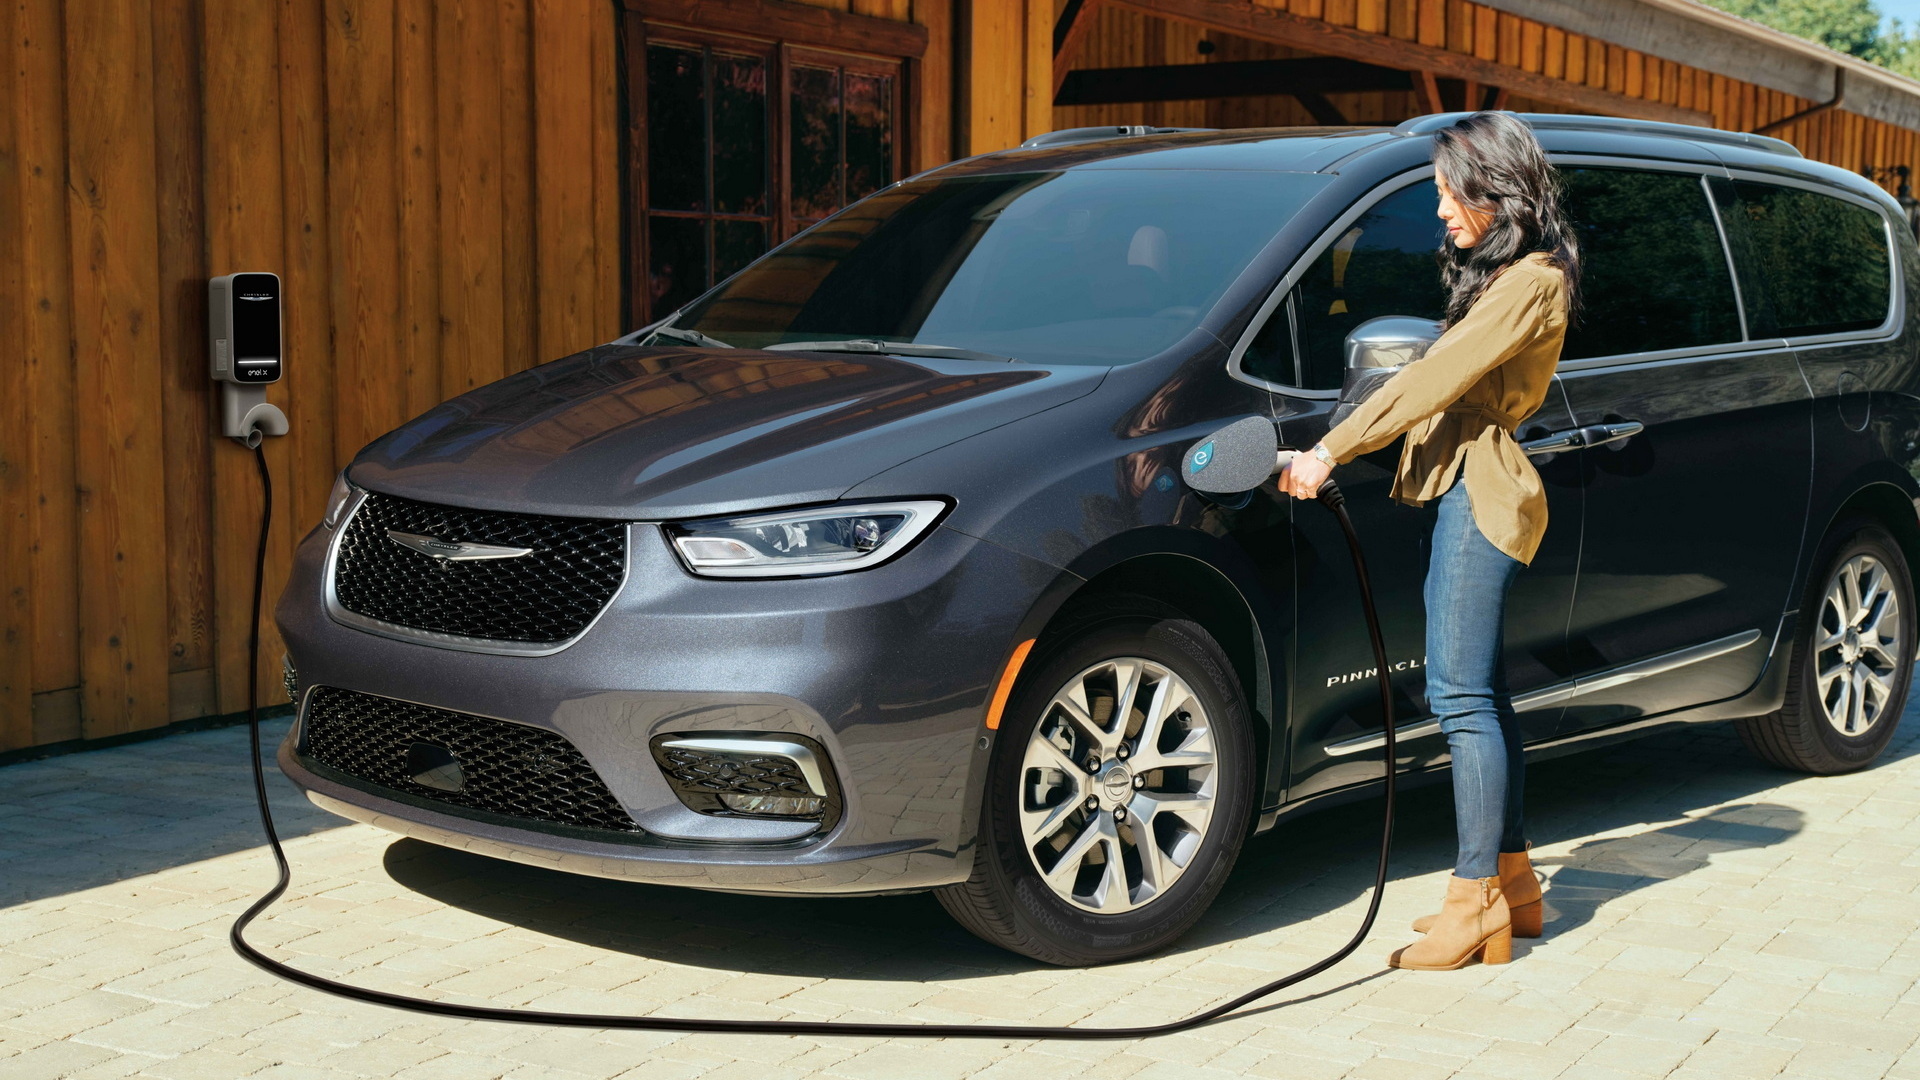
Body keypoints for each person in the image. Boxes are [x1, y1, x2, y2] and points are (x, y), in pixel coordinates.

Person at [1278, 111, 1582, 971]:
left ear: (1496, 188)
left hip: (1482, 494)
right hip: (1464, 486)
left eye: (1451, 193)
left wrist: (1330, 449)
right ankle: (1514, 885)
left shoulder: (1531, 282)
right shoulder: (1512, 277)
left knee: (1458, 698)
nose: (1441, 210)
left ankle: (1473, 900)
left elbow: (1436, 376)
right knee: (1483, 691)